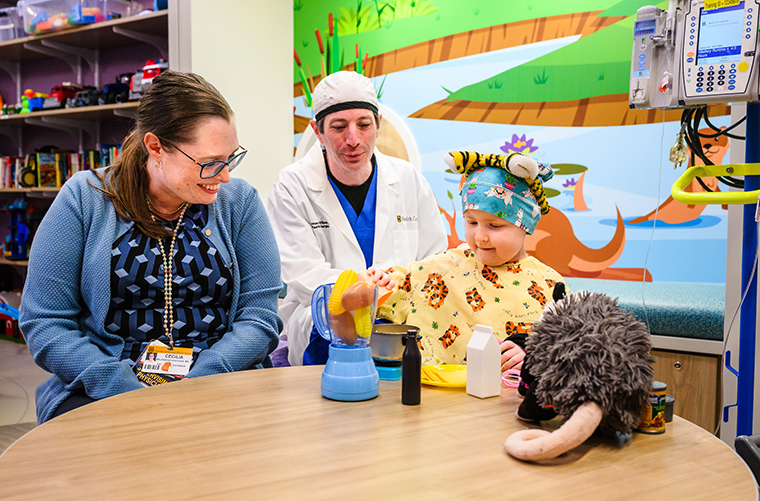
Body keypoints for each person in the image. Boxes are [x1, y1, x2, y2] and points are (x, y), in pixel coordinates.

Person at [20, 71, 283, 424]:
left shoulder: (240, 204)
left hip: (225, 381)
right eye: (210, 163)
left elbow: (260, 317)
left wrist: (205, 377)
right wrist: (118, 386)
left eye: (231, 158)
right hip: (103, 390)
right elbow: (45, 321)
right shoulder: (84, 199)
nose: (225, 177)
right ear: (155, 147)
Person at [267, 71, 447, 366]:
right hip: (325, 323)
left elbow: (434, 260)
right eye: (339, 127)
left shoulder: (407, 179)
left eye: (364, 125)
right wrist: (356, 287)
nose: (353, 139)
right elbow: (300, 273)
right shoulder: (292, 185)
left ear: (377, 126)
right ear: (318, 131)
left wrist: (393, 285)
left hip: (401, 315)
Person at [368, 151, 566, 371]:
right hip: (429, 394)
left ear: (525, 224)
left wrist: (529, 354)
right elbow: (394, 288)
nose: (480, 236)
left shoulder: (549, 286)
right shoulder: (444, 268)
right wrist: (379, 282)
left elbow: (571, 351)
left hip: (503, 400)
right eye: (471, 222)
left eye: (495, 225)